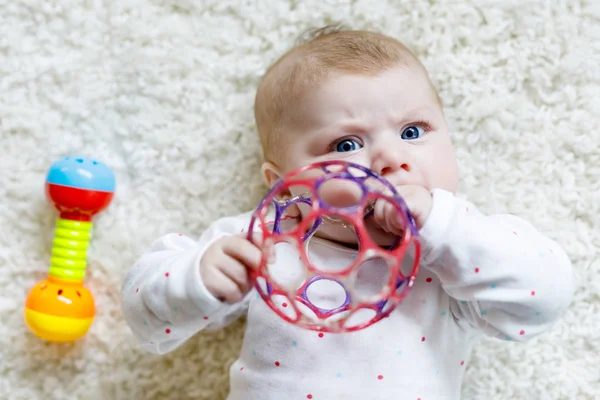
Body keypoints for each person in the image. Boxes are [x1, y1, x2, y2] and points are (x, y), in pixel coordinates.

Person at [121, 25, 573, 399]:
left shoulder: (455, 250)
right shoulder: (265, 239)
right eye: (347, 144)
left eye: (413, 131)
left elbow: (544, 301)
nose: (392, 159)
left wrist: (443, 225)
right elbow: (145, 320)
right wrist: (195, 281)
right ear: (283, 183)